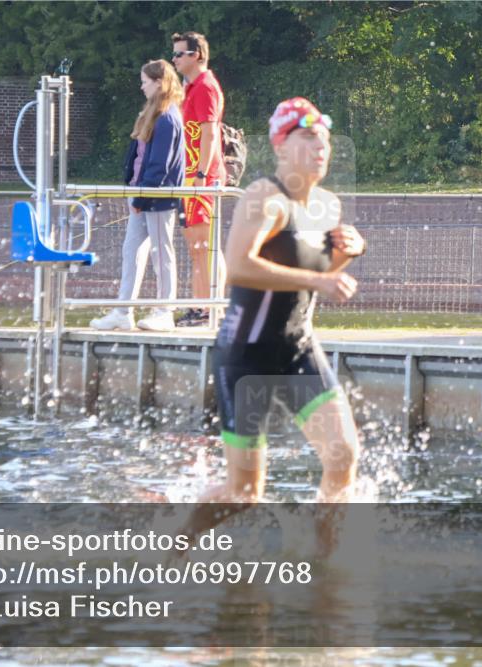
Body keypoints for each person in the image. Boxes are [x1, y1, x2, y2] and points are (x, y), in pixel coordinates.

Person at [178, 98, 367, 545]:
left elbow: (317, 276)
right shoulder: (265, 197)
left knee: (342, 456)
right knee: (245, 493)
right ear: (281, 147)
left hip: (298, 348)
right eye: (307, 138)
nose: (320, 147)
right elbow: (237, 267)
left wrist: (346, 254)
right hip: (248, 357)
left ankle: (326, 557)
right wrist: (319, 281)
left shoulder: (327, 206)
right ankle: (179, 539)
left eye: (323, 139)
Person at [90, 60, 185, 332]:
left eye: (145, 81)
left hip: (155, 198)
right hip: (141, 196)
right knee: (131, 252)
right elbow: (139, 157)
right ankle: (123, 310)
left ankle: (165, 311)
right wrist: (134, 192)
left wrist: (142, 198)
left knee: (161, 254)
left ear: (159, 82)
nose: (141, 86)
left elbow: (158, 165)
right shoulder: (153, 114)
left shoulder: (167, 117)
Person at [171, 31, 226, 327]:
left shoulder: (205, 86)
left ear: (197, 55)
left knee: (205, 246)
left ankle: (210, 309)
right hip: (189, 176)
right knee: (195, 247)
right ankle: (199, 305)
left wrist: (202, 173)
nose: (175, 59)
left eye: (180, 54)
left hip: (200, 177)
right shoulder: (190, 87)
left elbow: (210, 131)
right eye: (174, 54)